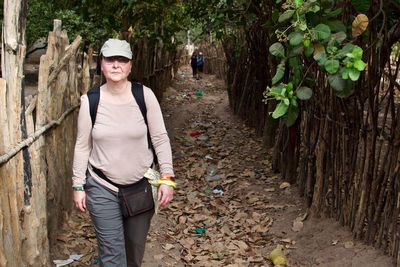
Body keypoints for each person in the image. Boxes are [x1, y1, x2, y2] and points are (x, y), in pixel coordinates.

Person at [72, 38, 175, 267]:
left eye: (122, 60)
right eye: (110, 59)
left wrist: (167, 179)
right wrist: (78, 185)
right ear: (102, 64)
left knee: (134, 252)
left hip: (140, 185)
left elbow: (160, 138)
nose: (116, 65)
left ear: (130, 66)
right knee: (112, 256)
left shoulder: (144, 95)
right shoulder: (91, 101)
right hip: (102, 187)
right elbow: (82, 145)